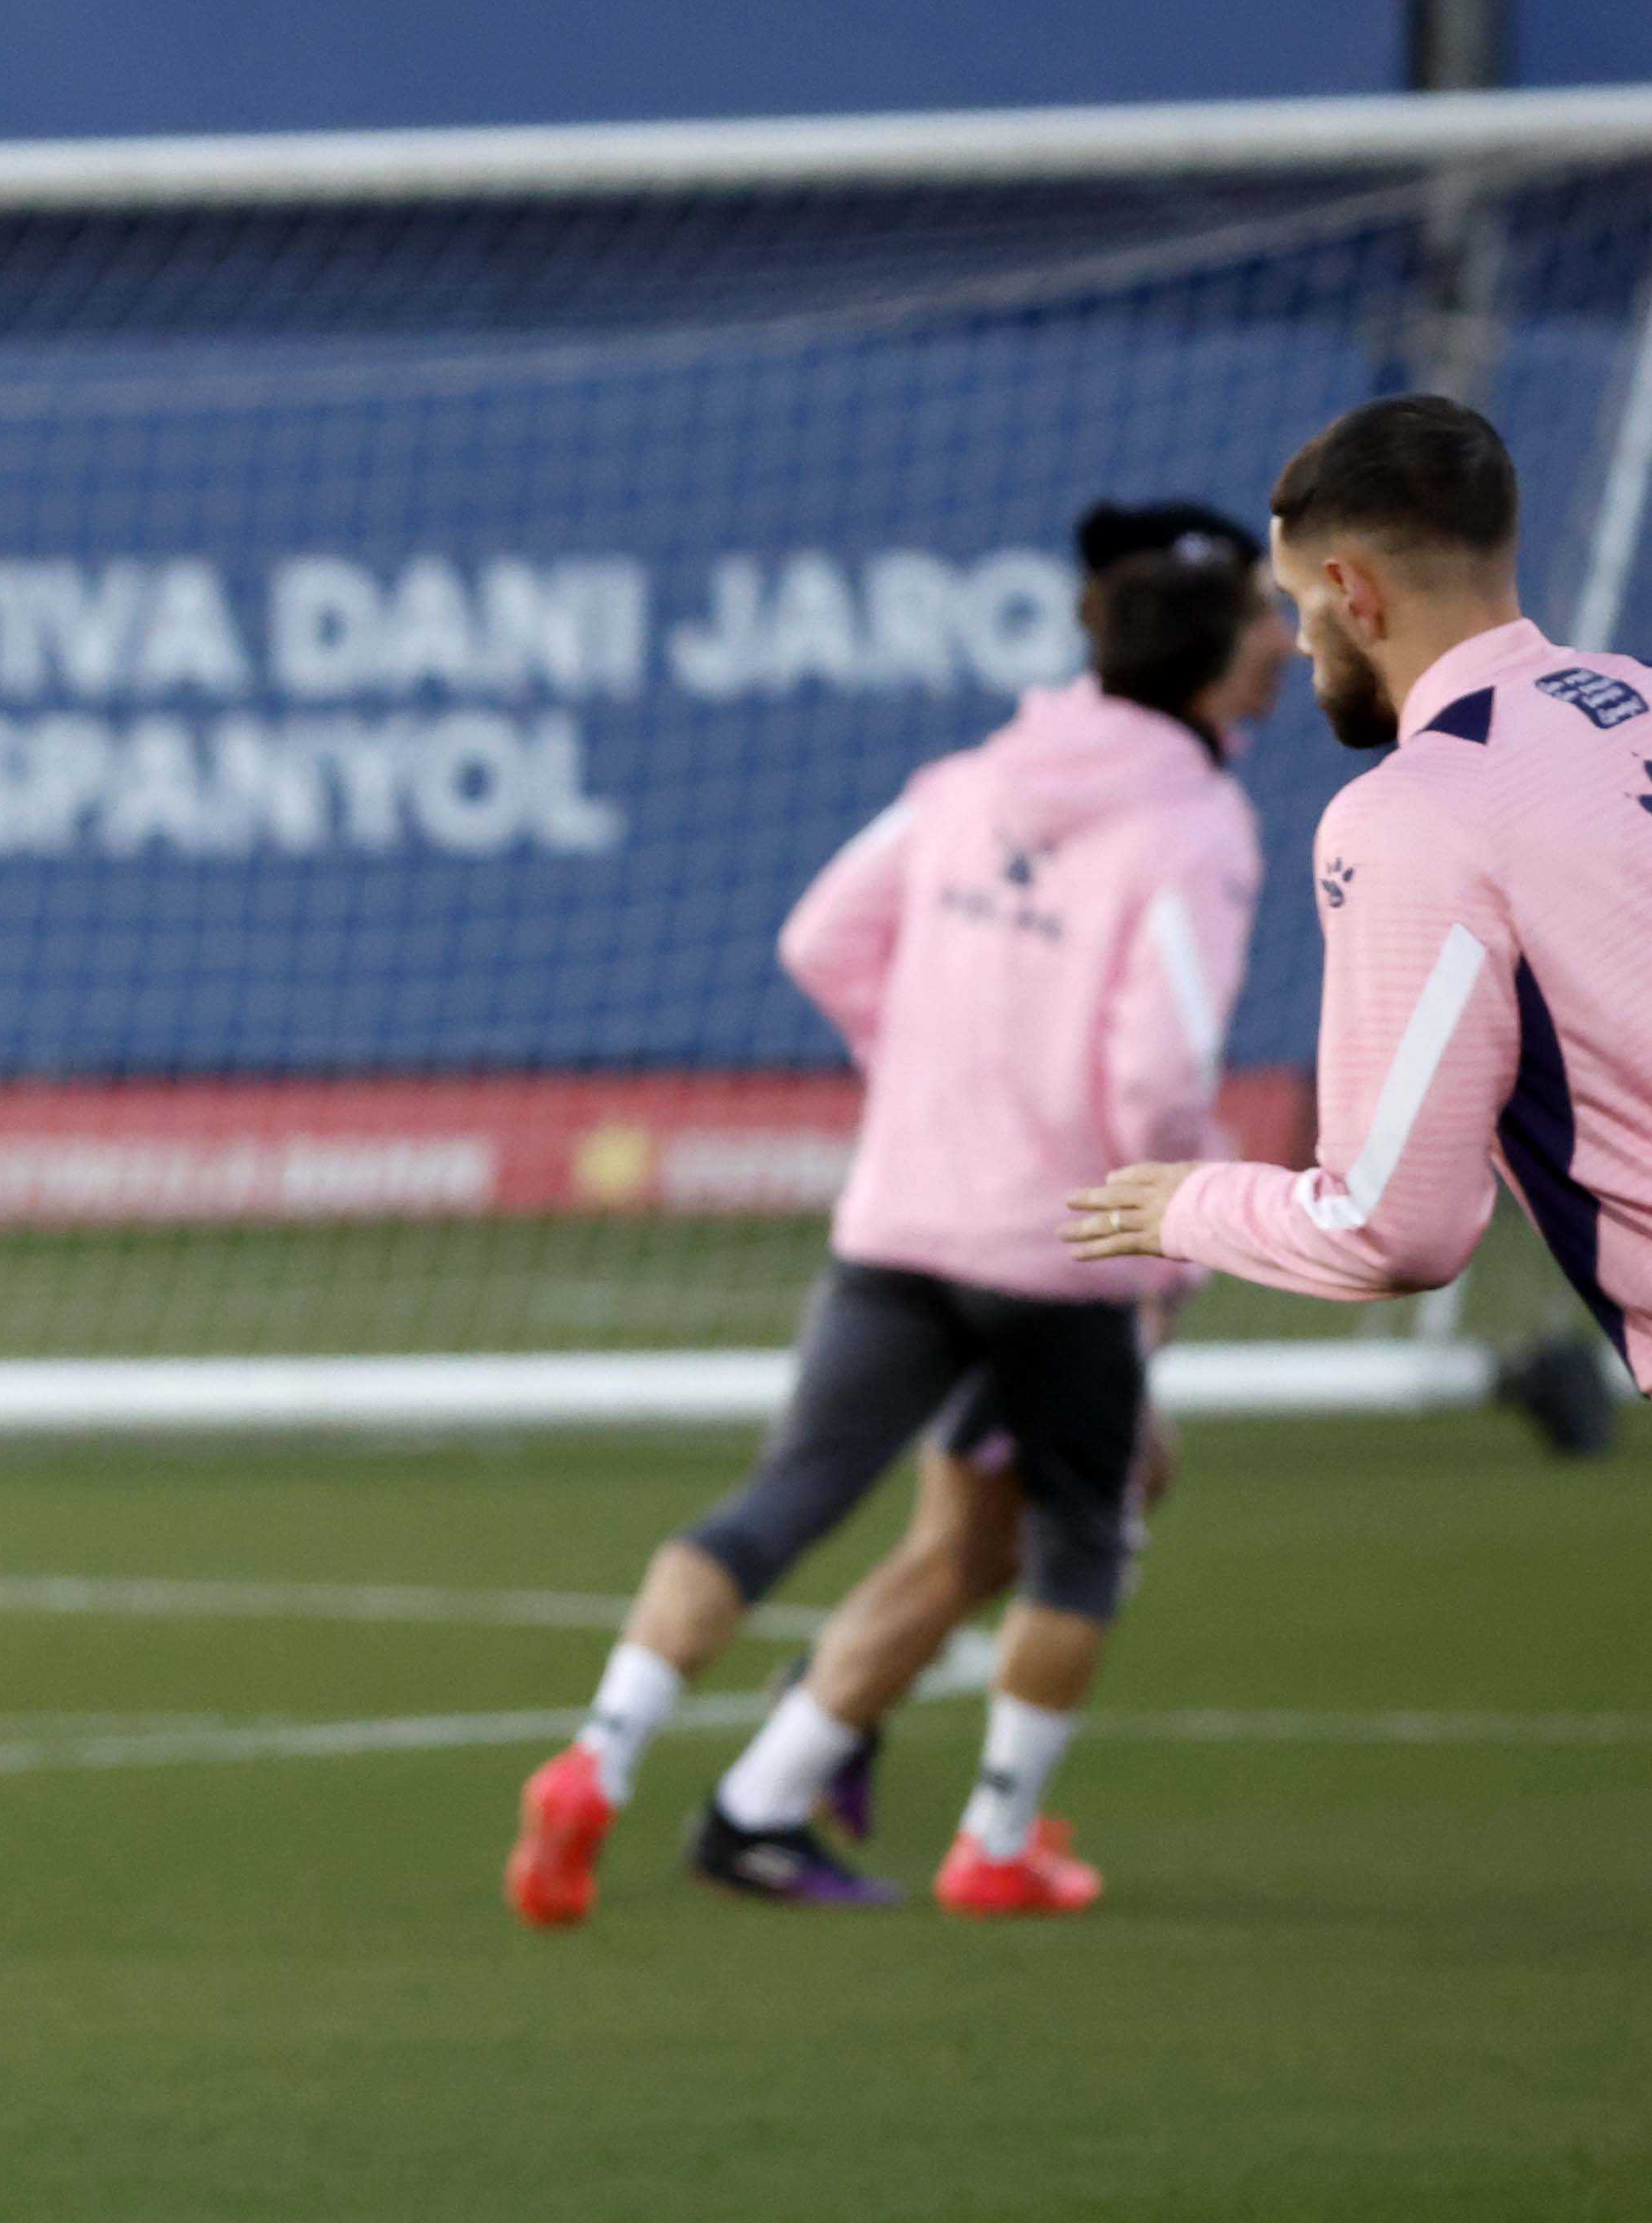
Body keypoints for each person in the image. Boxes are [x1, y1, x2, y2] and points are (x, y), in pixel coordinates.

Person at [508, 499, 1294, 1925]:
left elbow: (819, 938)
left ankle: (598, 1758)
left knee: (785, 1502)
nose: (1287, 644)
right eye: (1262, 621)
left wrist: (934, 1081)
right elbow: (1156, 1072)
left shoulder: (965, 779)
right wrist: (1165, 1229)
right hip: (1057, 1247)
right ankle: (994, 1840)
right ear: (1204, 658)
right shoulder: (1192, 823)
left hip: (899, 1217)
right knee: (1080, 1533)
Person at [1065, 393, 1652, 1390]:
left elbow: (1394, 1227)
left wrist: (1186, 1207)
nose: (1299, 642)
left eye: (1298, 603)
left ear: (1352, 590)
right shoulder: (1635, 694)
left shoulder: (1416, 813)